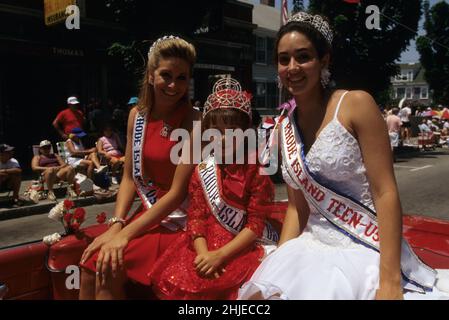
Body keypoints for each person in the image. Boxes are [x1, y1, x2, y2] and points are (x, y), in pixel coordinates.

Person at [238, 11, 448, 300]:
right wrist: (277, 262)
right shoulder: (284, 126)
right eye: (284, 59)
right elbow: (296, 209)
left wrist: (389, 282)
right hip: (309, 246)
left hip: (364, 250)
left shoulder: (355, 104)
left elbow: (385, 192)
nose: (293, 67)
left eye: (303, 56)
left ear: (324, 60)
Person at [78, 35, 200, 300]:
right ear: (150, 75)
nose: (173, 85)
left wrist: (125, 235)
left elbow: (178, 193)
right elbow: (130, 177)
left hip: (179, 220)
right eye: (166, 75)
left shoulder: (194, 120)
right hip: (148, 211)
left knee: (105, 268)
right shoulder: (138, 115)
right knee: (90, 267)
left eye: (182, 78)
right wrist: (116, 225)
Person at [149, 78, 279, 300]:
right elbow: (196, 217)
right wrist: (203, 254)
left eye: (232, 131)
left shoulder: (256, 171)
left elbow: (255, 224)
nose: (223, 138)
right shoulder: (202, 170)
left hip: (240, 248)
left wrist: (220, 256)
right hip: (203, 247)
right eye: (216, 131)